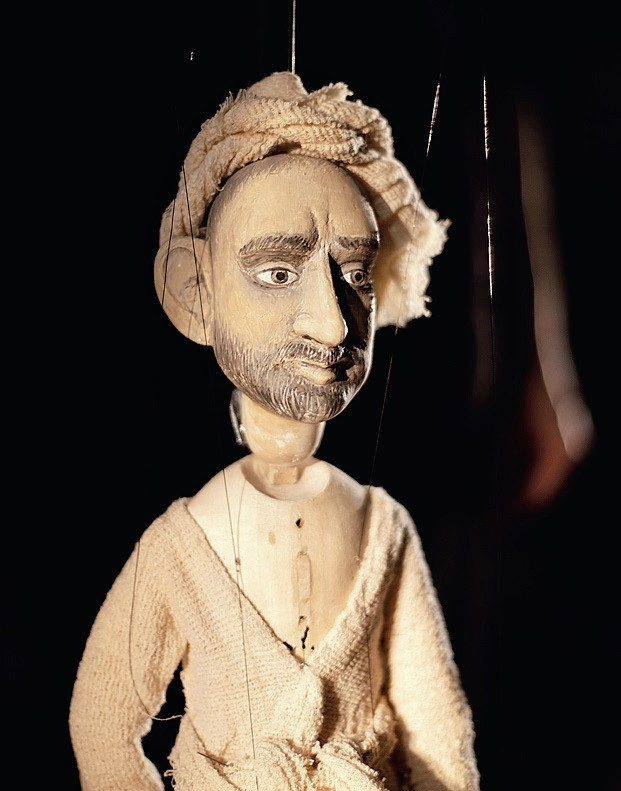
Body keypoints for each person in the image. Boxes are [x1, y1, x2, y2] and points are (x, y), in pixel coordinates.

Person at [69, 71, 480, 791]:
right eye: (279, 272)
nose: (333, 325)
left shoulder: (384, 529)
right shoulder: (181, 546)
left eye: (355, 275)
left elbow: (437, 732)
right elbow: (103, 722)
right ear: (195, 292)